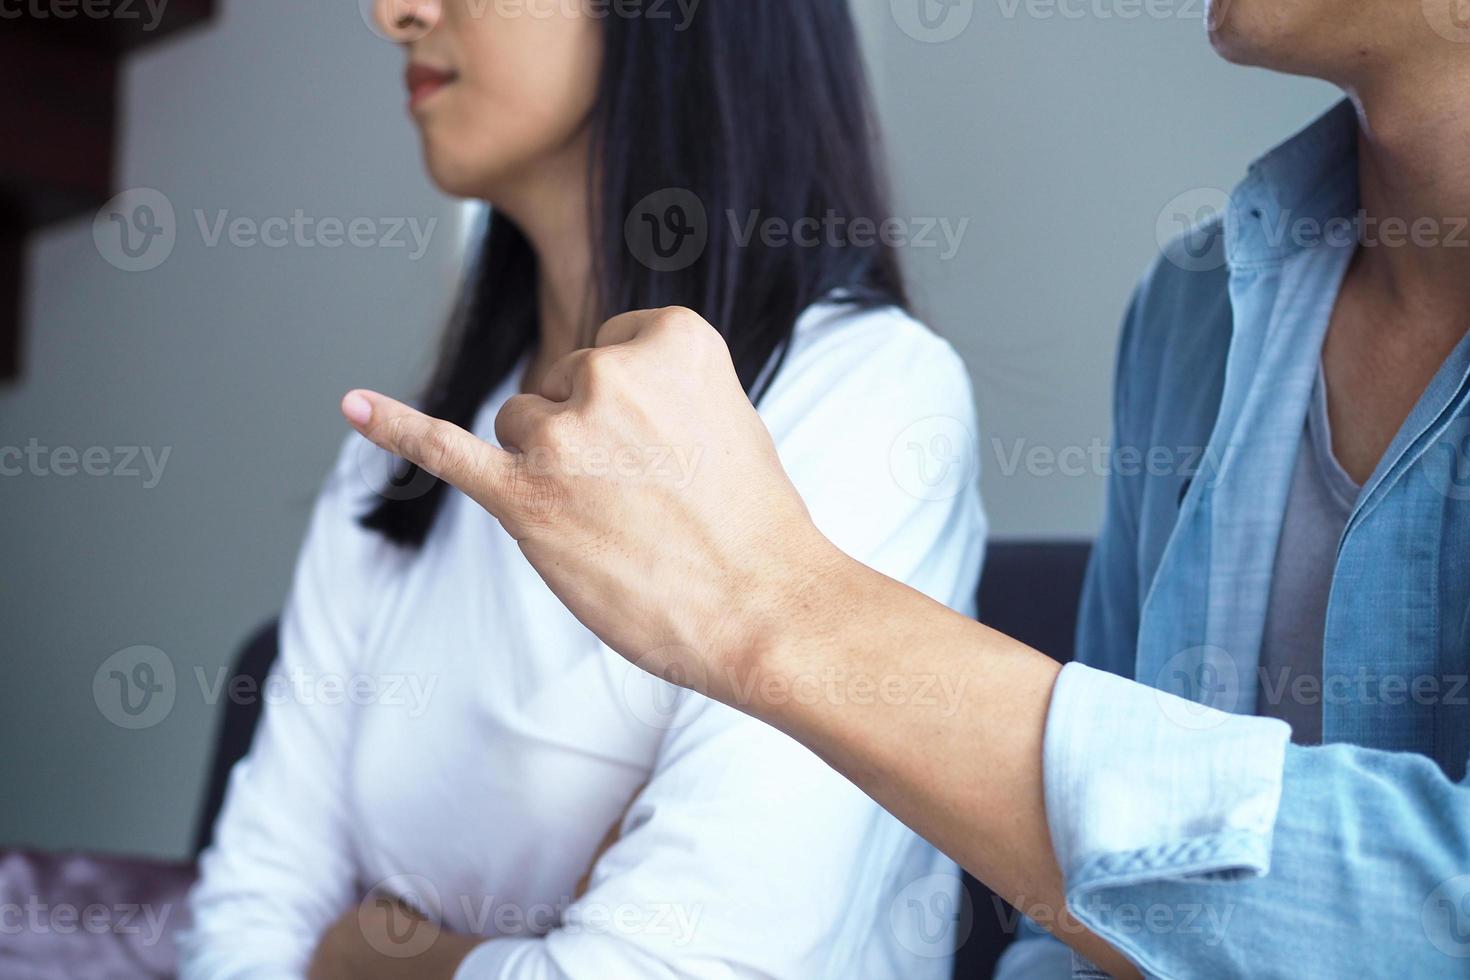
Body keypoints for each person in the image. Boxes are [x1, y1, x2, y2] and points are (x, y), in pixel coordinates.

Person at [339, 0, 1470, 975]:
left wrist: (785, 611)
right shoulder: (1195, 309)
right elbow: (1071, 932)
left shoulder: (857, 393)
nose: (393, 12)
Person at [180, 1, 988, 977]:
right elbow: (248, 914)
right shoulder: (400, 456)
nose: (395, 13)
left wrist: (369, 954)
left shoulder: (869, 397)